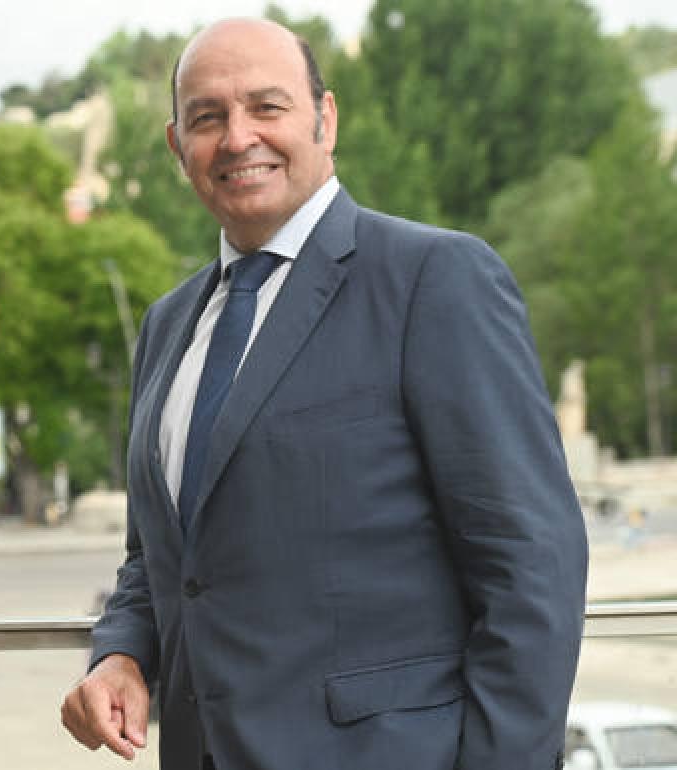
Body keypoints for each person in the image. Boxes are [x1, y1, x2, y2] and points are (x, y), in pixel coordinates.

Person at [60, 18, 588, 770]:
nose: (238, 137)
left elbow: (532, 565)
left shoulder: (434, 281)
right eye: (207, 117)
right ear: (179, 147)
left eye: (266, 108)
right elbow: (163, 559)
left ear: (324, 119)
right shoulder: (165, 326)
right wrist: (120, 654)